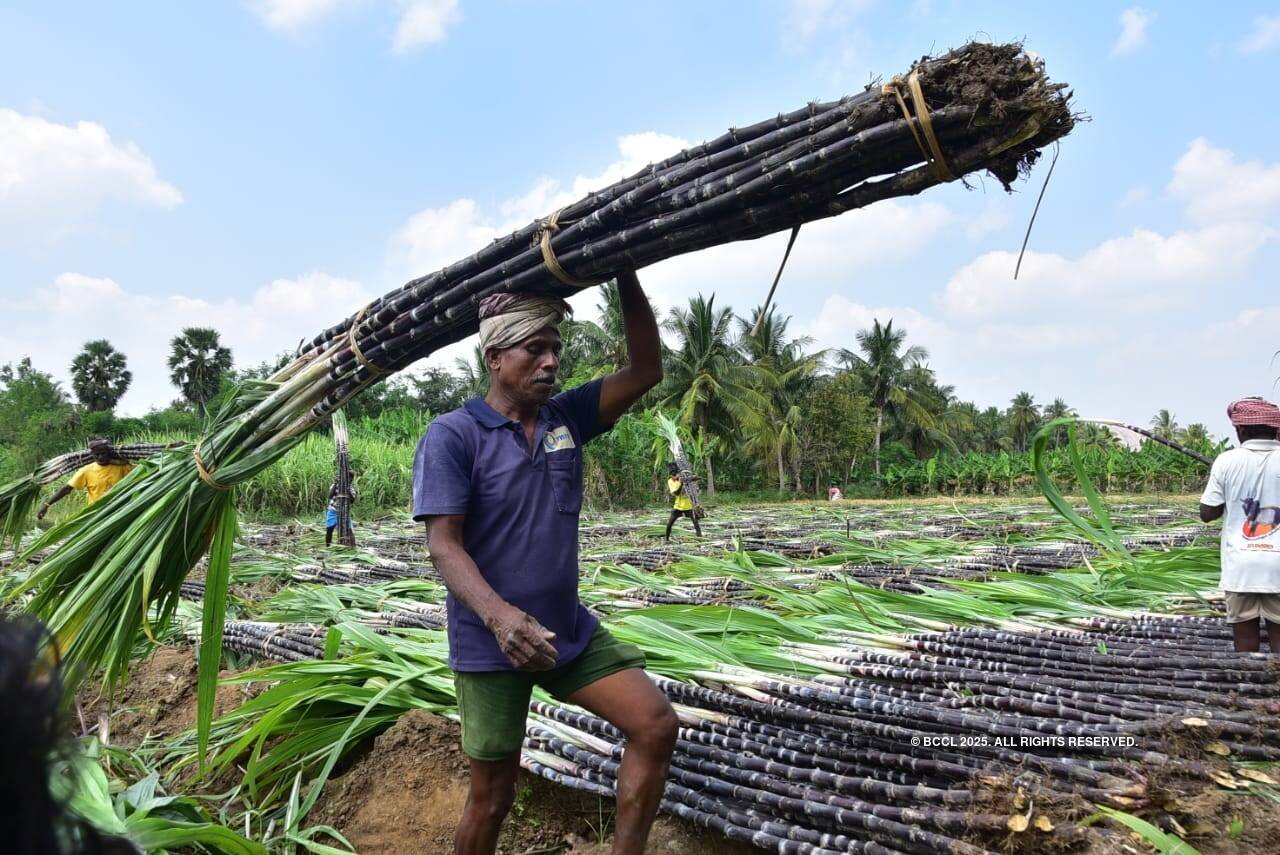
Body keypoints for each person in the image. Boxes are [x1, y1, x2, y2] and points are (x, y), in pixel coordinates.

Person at [413, 271, 675, 855]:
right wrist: (500, 617)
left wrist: (624, 271)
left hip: (566, 633)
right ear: (495, 357)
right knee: (493, 797)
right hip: (491, 645)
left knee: (655, 725)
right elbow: (444, 546)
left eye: (556, 348)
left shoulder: (567, 419)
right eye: (535, 349)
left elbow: (646, 370)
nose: (551, 361)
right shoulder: (453, 436)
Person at [1199, 397, 1280, 653]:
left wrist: (1230, 496)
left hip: (1241, 566)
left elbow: (1207, 513)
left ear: (1240, 429)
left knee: (1245, 643)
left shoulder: (1226, 461)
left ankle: (1249, 691)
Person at [36, 439, 134, 521]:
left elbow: (141, 475)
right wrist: (47, 505)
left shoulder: (122, 467)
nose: (100, 457)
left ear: (109, 453)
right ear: (92, 454)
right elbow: (67, 489)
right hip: (96, 514)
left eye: (103, 453)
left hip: (120, 511)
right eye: (97, 454)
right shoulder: (86, 471)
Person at [664, 463, 702, 541]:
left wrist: (693, 478)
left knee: (696, 524)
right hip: (678, 507)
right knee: (669, 524)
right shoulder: (671, 481)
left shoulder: (685, 478)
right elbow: (676, 493)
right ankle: (667, 539)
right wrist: (681, 483)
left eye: (675, 473)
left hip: (689, 506)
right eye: (672, 474)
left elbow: (698, 479)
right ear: (671, 475)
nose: (674, 475)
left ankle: (700, 540)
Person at [325, 481, 358, 547]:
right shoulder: (334, 485)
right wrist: (335, 484)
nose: (350, 480)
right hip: (333, 511)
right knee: (329, 530)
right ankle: (327, 546)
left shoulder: (351, 488)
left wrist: (347, 490)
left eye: (351, 478)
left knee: (349, 530)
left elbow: (352, 500)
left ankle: (352, 546)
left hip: (344, 512)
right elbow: (330, 496)